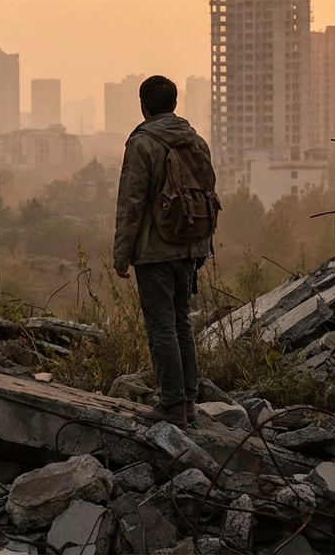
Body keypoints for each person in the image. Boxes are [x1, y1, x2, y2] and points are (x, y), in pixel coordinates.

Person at [113, 75, 216, 428]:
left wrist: (121, 255)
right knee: (181, 323)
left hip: (156, 250)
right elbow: (207, 195)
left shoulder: (142, 144)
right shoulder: (196, 141)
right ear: (174, 103)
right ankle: (187, 404)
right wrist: (203, 246)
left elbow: (131, 202)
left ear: (144, 105)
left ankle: (172, 405)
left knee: (162, 326)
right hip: (189, 247)